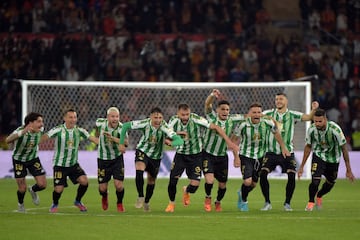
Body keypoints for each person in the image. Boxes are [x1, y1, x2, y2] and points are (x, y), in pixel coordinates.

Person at [165, 103, 239, 213]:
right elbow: (167, 137)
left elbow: (215, 127)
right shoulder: (173, 120)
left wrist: (229, 141)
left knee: (195, 185)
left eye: (187, 114)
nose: (185, 117)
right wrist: (175, 137)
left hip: (196, 155)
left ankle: (187, 191)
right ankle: (171, 203)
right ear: (178, 114)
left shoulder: (195, 119)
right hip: (180, 155)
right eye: (182, 115)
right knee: (172, 181)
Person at [259, 93, 319, 211]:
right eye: (276, 99)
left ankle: (287, 203)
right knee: (263, 174)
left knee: (291, 175)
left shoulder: (292, 114)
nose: (278, 101)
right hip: (271, 151)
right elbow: (255, 116)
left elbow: (308, 118)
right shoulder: (268, 114)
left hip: (288, 152)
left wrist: (314, 110)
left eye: (281, 99)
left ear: (286, 101)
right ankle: (267, 202)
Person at [119, 107, 183, 212]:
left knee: (151, 180)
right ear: (150, 117)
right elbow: (125, 126)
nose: (158, 120)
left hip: (156, 157)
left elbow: (180, 140)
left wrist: (171, 143)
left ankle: (147, 201)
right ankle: (140, 196)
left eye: (160, 118)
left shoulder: (165, 127)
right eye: (155, 117)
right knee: (139, 169)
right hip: (142, 151)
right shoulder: (144, 123)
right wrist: (121, 143)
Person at [233, 102, 290, 212]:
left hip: (260, 157)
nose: (256, 114)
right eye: (254, 112)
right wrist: (236, 157)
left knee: (254, 184)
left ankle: (241, 193)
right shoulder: (243, 124)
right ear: (250, 114)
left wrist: (283, 147)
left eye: (259, 112)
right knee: (247, 181)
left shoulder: (267, 122)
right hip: (246, 155)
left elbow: (276, 132)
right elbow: (234, 141)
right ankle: (244, 201)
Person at [41, 109, 99, 213]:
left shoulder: (79, 131)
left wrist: (108, 142)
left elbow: (94, 139)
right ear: (65, 118)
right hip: (59, 164)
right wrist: (34, 142)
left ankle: (78, 201)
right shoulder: (58, 130)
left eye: (74, 117)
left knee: (84, 181)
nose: (73, 120)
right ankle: (55, 203)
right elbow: (45, 137)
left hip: (73, 164)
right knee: (59, 189)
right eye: (70, 117)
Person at [298, 108, 355, 211]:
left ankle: (319, 195)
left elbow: (344, 148)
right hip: (319, 156)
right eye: (315, 121)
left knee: (330, 183)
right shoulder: (311, 130)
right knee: (315, 181)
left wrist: (348, 169)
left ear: (325, 119)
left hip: (333, 160)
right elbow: (308, 147)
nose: (317, 124)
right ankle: (311, 202)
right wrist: (302, 166)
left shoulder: (335, 129)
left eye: (320, 121)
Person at [202, 89, 246, 212]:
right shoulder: (211, 117)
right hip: (208, 154)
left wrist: (265, 116)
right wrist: (212, 95)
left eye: (227, 109)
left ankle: (218, 202)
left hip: (222, 156)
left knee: (222, 185)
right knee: (209, 180)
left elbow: (248, 116)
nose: (225, 111)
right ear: (217, 110)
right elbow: (207, 104)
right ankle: (208, 197)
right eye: (222, 109)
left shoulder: (232, 119)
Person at [5, 112, 47, 212]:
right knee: (22, 188)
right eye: (39, 121)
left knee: (42, 185)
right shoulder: (20, 131)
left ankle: (32, 189)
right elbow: (7, 140)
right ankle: (20, 205)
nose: (42, 124)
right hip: (19, 160)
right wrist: (22, 132)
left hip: (33, 159)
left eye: (42, 121)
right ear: (30, 123)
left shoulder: (40, 130)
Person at [95, 107, 128, 212]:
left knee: (118, 185)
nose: (115, 119)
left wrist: (114, 139)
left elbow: (126, 142)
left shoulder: (122, 128)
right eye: (112, 116)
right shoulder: (101, 123)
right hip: (103, 159)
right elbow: (96, 126)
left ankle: (119, 203)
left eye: (117, 116)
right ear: (108, 117)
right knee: (102, 188)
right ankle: (104, 196)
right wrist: (98, 139)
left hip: (117, 159)